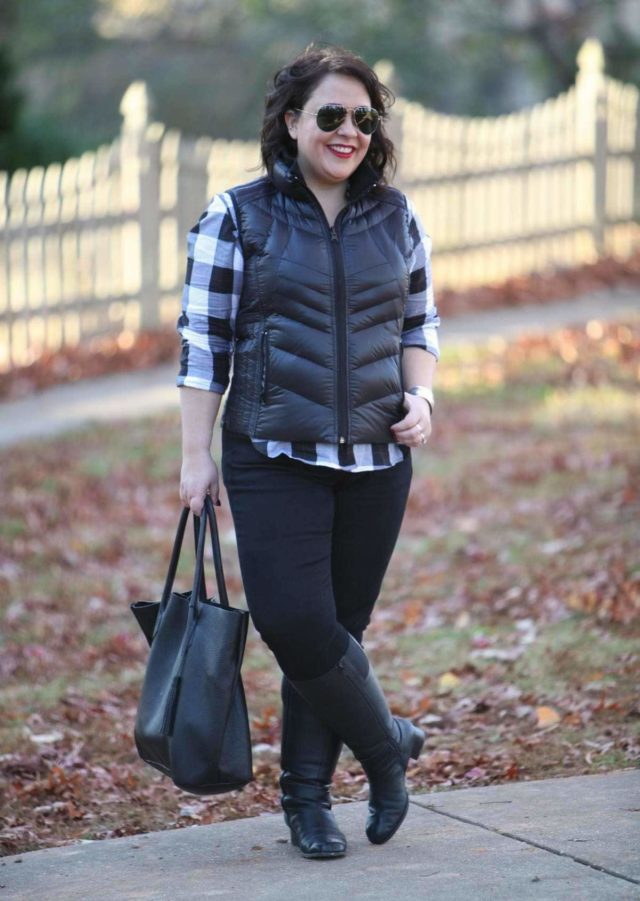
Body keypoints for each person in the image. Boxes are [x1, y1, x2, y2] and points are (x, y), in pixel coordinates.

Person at [177, 44, 440, 860]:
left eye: (364, 118)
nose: (348, 131)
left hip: (375, 460)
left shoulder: (395, 216)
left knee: (335, 636)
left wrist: (422, 396)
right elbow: (201, 344)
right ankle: (386, 749)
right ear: (291, 122)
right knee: (295, 622)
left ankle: (307, 803)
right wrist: (195, 456)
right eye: (330, 114)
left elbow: (419, 322)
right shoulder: (237, 214)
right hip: (271, 450)